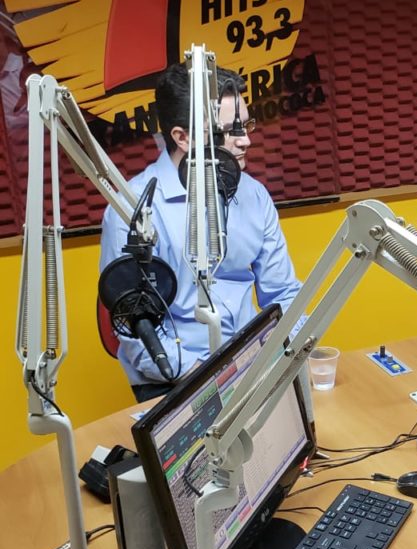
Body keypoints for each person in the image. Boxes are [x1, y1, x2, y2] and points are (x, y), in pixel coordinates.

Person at [100, 63, 303, 401]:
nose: (246, 140)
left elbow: (283, 292)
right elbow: (137, 331)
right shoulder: (131, 211)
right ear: (183, 137)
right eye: (228, 131)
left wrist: (283, 351)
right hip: (177, 380)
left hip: (252, 366)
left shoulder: (254, 195)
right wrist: (210, 381)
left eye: (246, 125)